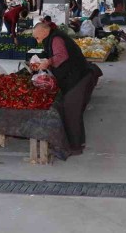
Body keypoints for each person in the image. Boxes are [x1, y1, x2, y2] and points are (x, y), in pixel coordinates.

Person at [33, 22, 95, 155]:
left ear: (44, 32)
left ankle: (75, 147)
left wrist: (48, 62)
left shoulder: (56, 39)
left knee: (71, 112)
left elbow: (62, 56)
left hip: (78, 78)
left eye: (37, 37)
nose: (38, 41)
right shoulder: (53, 38)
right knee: (71, 111)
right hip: (75, 76)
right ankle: (77, 143)